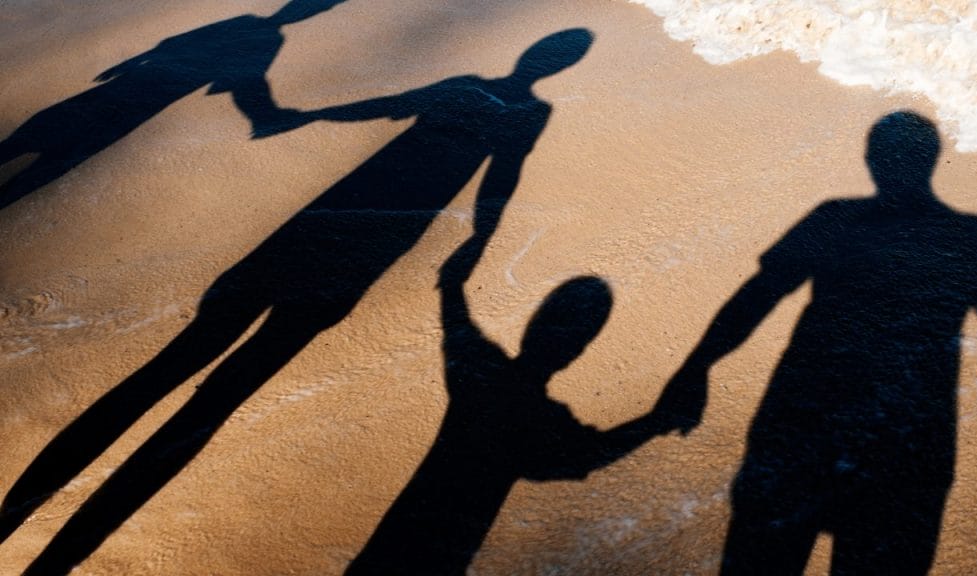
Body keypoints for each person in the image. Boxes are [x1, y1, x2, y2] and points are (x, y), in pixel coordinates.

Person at [9, 29, 598, 575]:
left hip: (310, 230)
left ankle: (9, 517)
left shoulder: (466, 89)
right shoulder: (525, 114)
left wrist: (301, 117)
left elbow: (380, 107)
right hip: (364, 251)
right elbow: (502, 179)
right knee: (217, 399)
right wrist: (475, 242)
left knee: (166, 367)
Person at [656, 111, 977, 575]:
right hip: (907, 451)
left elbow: (758, 295)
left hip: (800, 432)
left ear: (870, 161)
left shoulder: (834, 219)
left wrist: (696, 367)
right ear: (932, 162)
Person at [345, 232, 669, 576]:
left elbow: (457, 326)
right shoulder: (537, 417)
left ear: (530, 329)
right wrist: (655, 423)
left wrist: (451, 284)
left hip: (388, 545)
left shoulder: (479, 373)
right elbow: (589, 454)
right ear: (576, 354)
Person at [0, 0, 345, 209]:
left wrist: (132, 62)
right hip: (139, 103)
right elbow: (244, 82)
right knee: (47, 159)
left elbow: (170, 43)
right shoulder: (264, 37)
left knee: (25, 140)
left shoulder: (246, 24)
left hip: (123, 90)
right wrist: (263, 116)